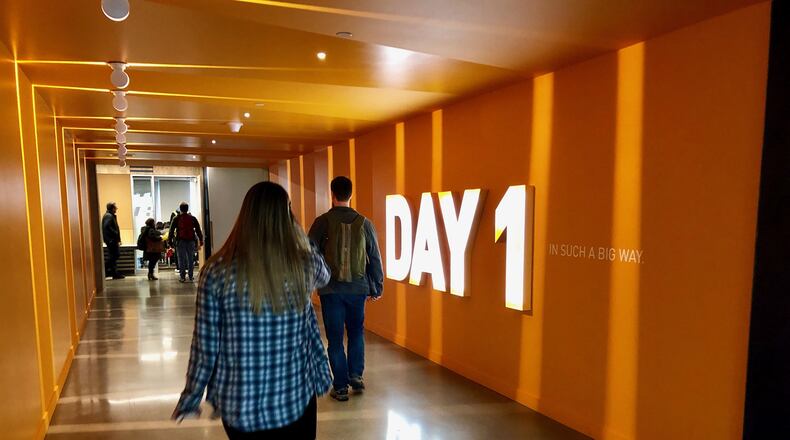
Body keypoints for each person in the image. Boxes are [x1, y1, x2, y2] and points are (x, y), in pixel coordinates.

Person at [172, 181, 332, 439]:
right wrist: (299, 234)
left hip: (241, 406)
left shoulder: (216, 271)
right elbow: (325, 275)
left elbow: (205, 346)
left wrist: (192, 395)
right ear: (287, 217)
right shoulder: (303, 265)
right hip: (295, 399)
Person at [308, 176, 384, 402]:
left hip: (331, 289)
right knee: (356, 332)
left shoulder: (322, 221)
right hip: (358, 288)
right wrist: (377, 286)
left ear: (332, 194)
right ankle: (356, 375)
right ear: (351, 195)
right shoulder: (365, 223)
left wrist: (312, 281)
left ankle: (340, 386)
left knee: (334, 338)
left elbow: (308, 252)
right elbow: (374, 257)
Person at [169, 202, 204, 282]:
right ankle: (191, 276)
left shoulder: (176, 218)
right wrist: (201, 240)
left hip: (180, 241)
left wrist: (170, 242)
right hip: (191, 240)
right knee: (191, 259)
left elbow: (171, 230)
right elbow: (198, 230)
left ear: (180, 209)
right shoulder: (192, 218)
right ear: (187, 209)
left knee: (181, 259)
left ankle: (182, 277)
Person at [101, 201, 125, 280]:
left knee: (113, 256)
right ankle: (104, 270)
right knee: (114, 256)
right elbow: (107, 226)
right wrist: (115, 233)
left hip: (111, 240)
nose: (116, 209)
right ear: (112, 208)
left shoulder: (109, 215)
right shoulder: (108, 216)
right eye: (115, 208)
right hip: (111, 240)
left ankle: (114, 273)